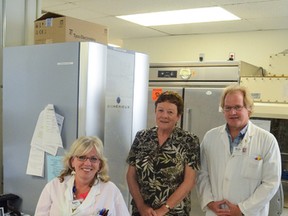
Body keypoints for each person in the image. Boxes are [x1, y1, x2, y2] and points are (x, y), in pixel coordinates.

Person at [197, 84, 281, 216]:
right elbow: (202, 174)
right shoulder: (211, 137)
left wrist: (242, 209)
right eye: (228, 108)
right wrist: (209, 202)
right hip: (216, 212)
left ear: (249, 109)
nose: (232, 112)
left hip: (250, 213)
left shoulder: (267, 140)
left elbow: (271, 183)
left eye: (237, 107)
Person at [126, 91, 200, 216]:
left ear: (178, 116)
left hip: (174, 212)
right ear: (155, 111)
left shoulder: (189, 141)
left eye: (170, 112)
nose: (164, 116)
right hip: (142, 212)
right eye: (160, 110)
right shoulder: (142, 137)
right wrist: (141, 206)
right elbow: (131, 175)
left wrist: (163, 210)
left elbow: (189, 181)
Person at [35, 136, 129, 216]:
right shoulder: (54, 187)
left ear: (99, 164)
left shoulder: (110, 190)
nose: (87, 163)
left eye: (93, 158)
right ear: (72, 161)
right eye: (81, 157)